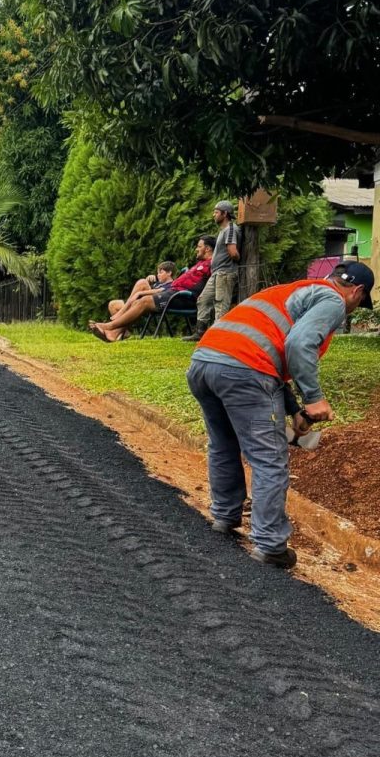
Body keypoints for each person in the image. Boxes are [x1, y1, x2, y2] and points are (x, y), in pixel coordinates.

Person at [186, 261, 374, 568]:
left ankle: (225, 516)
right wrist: (314, 399)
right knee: (269, 459)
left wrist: (295, 410)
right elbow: (298, 344)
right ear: (357, 291)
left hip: (204, 364)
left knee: (223, 444)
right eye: (359, 303)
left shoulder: (289, 291)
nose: (352, 310)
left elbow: (271, 355)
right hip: (245, 368)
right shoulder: (333, 300)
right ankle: (270, 544)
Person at [89, 236, 214, 342]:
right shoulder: (200, 263)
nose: (196, 249)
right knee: (139, 301)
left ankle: (109, 326)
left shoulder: (212, 264)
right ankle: (114, 334)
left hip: (182, 297)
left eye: (199, 246)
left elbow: (204, 286)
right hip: (173, 292)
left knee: (144, 301)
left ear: (207, 248)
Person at [185, 200, 240, 341]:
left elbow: (233, 252)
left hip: (225, 273)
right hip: (217, 273)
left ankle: (218, 336)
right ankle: (200, 332)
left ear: (225, 213)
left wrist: (238, 260)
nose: (213, 215)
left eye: (216, 212)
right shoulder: (224, 230)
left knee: (221, 304)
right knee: (203, 300)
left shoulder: (230, 229)